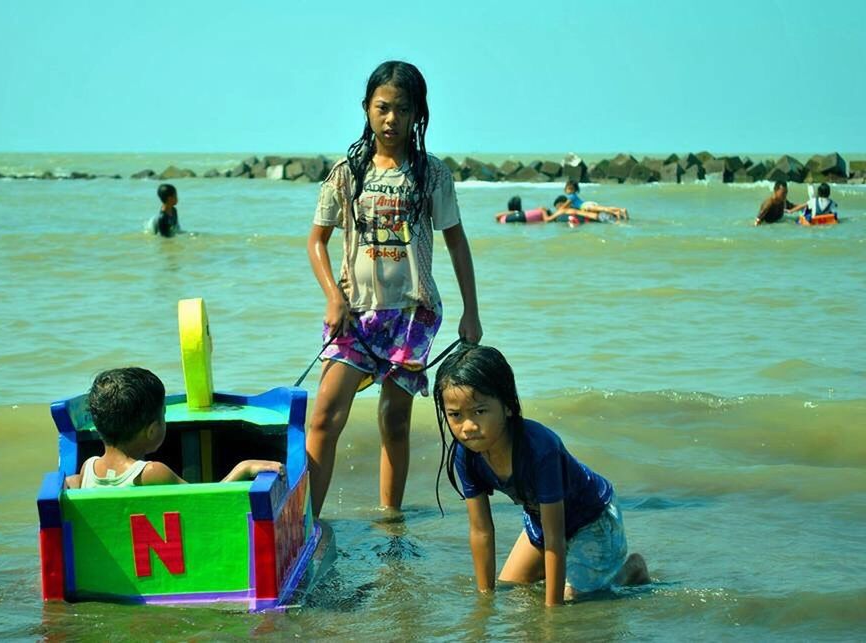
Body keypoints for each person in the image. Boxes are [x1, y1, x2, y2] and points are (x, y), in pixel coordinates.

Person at [306, 60, 482, 518]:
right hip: (354, 312)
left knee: (394, 421)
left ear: (417, 114)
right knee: (324, 417)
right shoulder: (347, 171)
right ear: (366, 108)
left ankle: (391, 521)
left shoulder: (431, 174)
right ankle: (307, 522)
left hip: (412, 313)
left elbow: (456, 242)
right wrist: (332, 295)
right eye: (382, 108)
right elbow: (316, 241)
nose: (390, 119)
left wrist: (471, 311)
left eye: (402, 110)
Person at [433, 345, 650, 606]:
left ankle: (630, 571)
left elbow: (555, 537)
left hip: (591, 518)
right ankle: (573, 573)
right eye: (455, 415)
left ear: (508, 406)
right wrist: (484, 602)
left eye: (479, 411)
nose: (467, 427)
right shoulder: (465, 454)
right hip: (540, 518)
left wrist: (553, 614)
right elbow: (481, 531)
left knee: (571, 602)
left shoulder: (539, 450)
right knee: (511, 592)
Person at [65, 367, 282, 489]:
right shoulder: (152, 473)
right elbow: (204, 502)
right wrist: (243, 468)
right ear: (151, 430)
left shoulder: (88, 468)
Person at [564, 180, 629, 220]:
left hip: (585, 206)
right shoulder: (574, 196)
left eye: (571, 189)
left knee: (603, 209)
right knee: (605, 208)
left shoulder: (571, 196)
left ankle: (616, 212)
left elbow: (564, 206)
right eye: (568, 189)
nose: (569, 191)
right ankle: (621, 210)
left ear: (575, 190)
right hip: (587, 204)